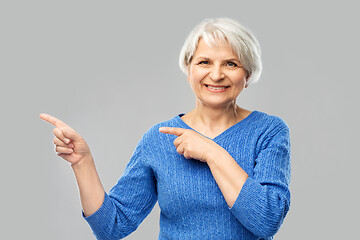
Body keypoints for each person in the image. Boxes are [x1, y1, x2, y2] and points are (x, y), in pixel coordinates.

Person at [40, 17, 291, 240]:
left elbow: (266, 220)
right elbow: (111, 227)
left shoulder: (269, 131)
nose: (216, 74)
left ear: (247, 75)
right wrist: (82, 162)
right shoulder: (158, 139)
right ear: (189, 70)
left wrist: (213, 153)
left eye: (231, 64)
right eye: (204, 62)